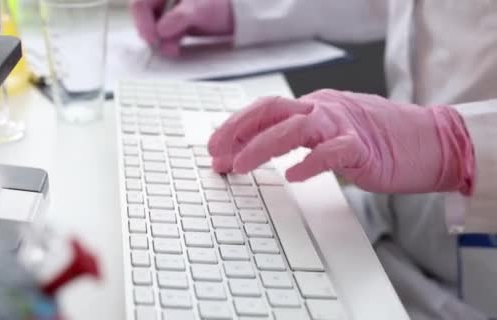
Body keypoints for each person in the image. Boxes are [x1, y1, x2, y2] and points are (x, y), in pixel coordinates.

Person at [129, 0, 497, 319]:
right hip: (394, 222)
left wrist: (456, 145)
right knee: (224, 241)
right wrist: (238, 9)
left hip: (475, 275)